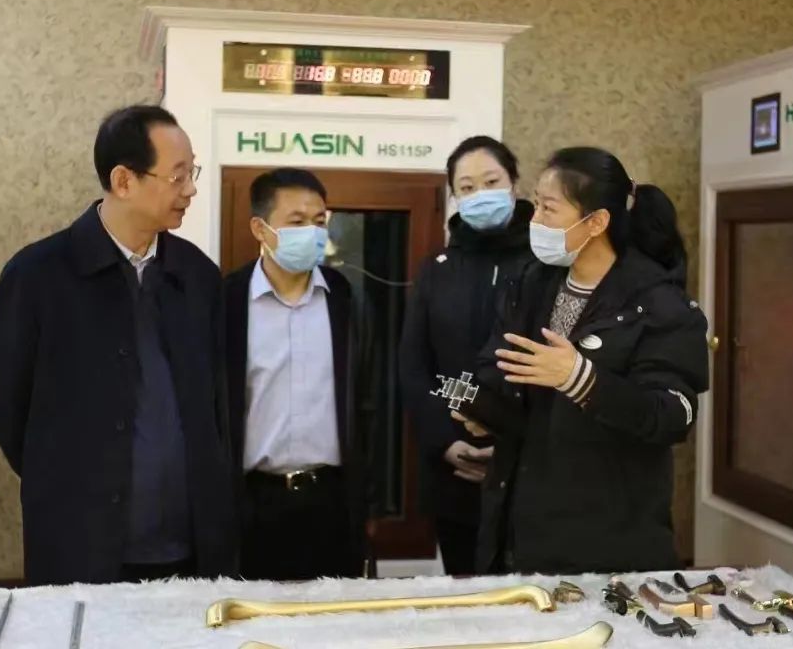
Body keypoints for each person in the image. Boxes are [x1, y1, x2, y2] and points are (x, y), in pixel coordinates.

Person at [0, 105, 236, 585]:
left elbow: (217, 408)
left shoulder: (198, 277)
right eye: (177, 176)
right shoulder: (37, 277)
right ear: (124, 181)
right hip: (80, 545)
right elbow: (7, 408)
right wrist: (64, 478)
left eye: (192, 173)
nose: (190, 190)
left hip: (191, 550)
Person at [457, 146, 709, 575]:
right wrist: (484, 408)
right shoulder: (531, 283)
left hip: (610, 535)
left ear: (596, 222)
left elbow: (671, 416)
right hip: (521, 523)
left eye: (549, 208)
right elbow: (496, 364)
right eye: (535, 203)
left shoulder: (659, 305)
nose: (534, 219)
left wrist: (581, 378)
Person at [223, 167, 373, 580]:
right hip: (253, 502)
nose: (312, 232)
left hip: (330, 501)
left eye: (319, 221)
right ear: (260, 228)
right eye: (297, 221)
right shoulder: (227, 301)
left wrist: (366, 501)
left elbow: (365, 400)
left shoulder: (345, 299)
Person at [398, 136, 534, 575]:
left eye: (491, 182)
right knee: (465, 591)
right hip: (453, 471)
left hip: (530, 472)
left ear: (514, 184)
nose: (481, 195)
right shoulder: (437, 268)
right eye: (468, 187)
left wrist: (509, 445)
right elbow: (416, 366)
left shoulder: (544, 262)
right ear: (455, 197)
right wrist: (446, 442)